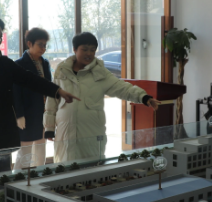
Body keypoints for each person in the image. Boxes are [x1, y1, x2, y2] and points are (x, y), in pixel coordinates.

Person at [0, 16, 79, 177]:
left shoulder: (4, 63)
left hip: (0, 135)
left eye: (0, 36)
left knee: (3, 180)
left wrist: (58, 91)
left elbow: (30, 79)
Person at [44, 32, 160, 163]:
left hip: (91, 132)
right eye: (85, 49)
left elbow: (122, 87)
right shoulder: (62, 71)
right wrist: (49, 127)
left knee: (91, 167)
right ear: (75, 49)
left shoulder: (99, 73)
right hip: (65, 132)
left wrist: (144, 97)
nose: (89, 53)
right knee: (65, 166)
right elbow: (52, 100)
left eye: (92, 50)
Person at [12, 28, 51, 171]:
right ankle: (18, 178)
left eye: (45, 45)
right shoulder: (19, 64)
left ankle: (39, 176)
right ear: (29, 43)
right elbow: (15, 92)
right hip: (27, 113)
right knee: (25, 152)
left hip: (43, 112)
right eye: (40, 44)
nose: (43, 48)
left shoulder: (45, 63)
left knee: (41, 149)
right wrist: (19, 115)